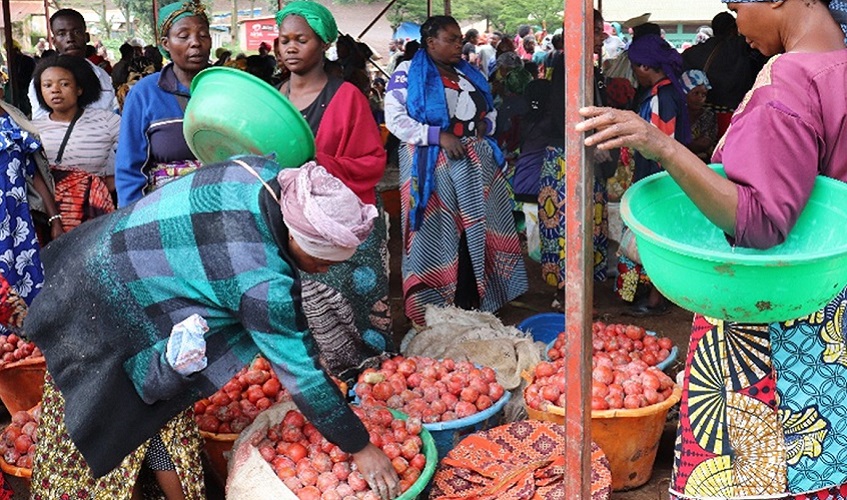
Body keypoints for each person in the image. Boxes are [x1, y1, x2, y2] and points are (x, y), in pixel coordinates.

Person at [577, 0, 847, 497]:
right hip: (832, 317)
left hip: (768, 326)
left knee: (759, 475)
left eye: (737, 5)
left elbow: (760, 220)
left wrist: (661, 147)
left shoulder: (790, 78)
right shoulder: (838, 68)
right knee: (824, 467)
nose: (737, 23)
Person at [26, 158, 401, 500]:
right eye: (320, 261)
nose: (324, 271)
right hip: (107, 301)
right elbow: (302, 372)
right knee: (103, 412)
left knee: (155, 404)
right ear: (298, 237)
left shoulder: (265, 177)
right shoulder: (261, 281)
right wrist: (358, 445)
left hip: (101, 259)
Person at [385, 15, 528, 328]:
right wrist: (440, 136)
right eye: (449, 39)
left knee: (475, 234)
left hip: (473, 166)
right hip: (429, 167)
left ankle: (474, 302)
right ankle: (432, 310)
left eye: (458, 38)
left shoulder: (469, 72)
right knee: (435, 235)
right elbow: (395, 120)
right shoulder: (407, 73)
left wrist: (480, 130)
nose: (457, 45)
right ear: (429, 41)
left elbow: (489, 110)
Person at [276, 1, 393, 379]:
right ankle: (320, 388)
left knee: (358, 313)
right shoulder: (275, 99)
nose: (291, 48)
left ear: (324, 43)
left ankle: (368, 383)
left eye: (302, 40)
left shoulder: (347, 97)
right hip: (294, 228)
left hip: (344, 228)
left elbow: (372, 162)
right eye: (284, 40)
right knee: (304, 312)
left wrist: (316, 165)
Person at [115, 0, 211, 207]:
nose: (195, 42)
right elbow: (129, 167)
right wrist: (133, 220)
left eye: (203, 35)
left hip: (221, 202)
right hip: (162, 210)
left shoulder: (225, 87)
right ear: (165, 44)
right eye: (184, 36)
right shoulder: (144, 93)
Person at [32, 55, 120, 232]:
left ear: (79, 88)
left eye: (64, 84)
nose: (55, 90)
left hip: (94, 214)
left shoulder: (107, 121)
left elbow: (138, 152)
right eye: (47, 85)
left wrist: (106, 183)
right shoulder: (31, 130)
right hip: (47, 220)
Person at [682, 12, 762, 138]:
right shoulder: (743, 46)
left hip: (701, 113)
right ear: (733, 28)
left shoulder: (693, 52)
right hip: (733, 113)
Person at [28, 9, 115, 120]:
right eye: (62, 34)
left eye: (77, 32)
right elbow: (42, 125)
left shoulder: (102, 75)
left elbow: (111, 116)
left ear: (87, 37)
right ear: (54, 41)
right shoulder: (43, 80)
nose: (70, 39)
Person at [680, 69, 717, 162]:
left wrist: (678, 145)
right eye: (696, 93)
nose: (700, 98)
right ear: (684, 93)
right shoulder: (675, 113)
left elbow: (705, 143)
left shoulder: (708, 115)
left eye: (704, 94)